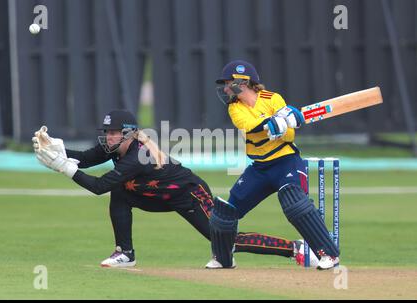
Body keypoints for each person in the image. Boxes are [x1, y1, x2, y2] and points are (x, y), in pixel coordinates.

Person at [32, 109, 318, 268]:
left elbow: (98, 186)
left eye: (113, 133)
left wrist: (63, 167)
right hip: (155, 195)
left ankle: (295, 248)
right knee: (121, 192)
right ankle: (126, 253)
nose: (108, 138)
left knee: (224, 241)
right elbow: (87, 157)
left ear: (129, 134)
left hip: (189, 194)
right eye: (106, 133)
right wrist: (58, 147)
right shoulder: (117, 147)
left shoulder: (136, 156)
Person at [211, 60, 340, 270]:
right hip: (260, 168)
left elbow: (289, 135)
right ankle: (223, 259)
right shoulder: (235, 108)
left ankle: (329, 254)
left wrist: (286, 121)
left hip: (286, 161)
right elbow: (248, 126)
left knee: (295, 204)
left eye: (228, 83)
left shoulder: (273, 98)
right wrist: (271, 122)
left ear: (242, 82)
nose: (225, 88)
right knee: (224, 213)